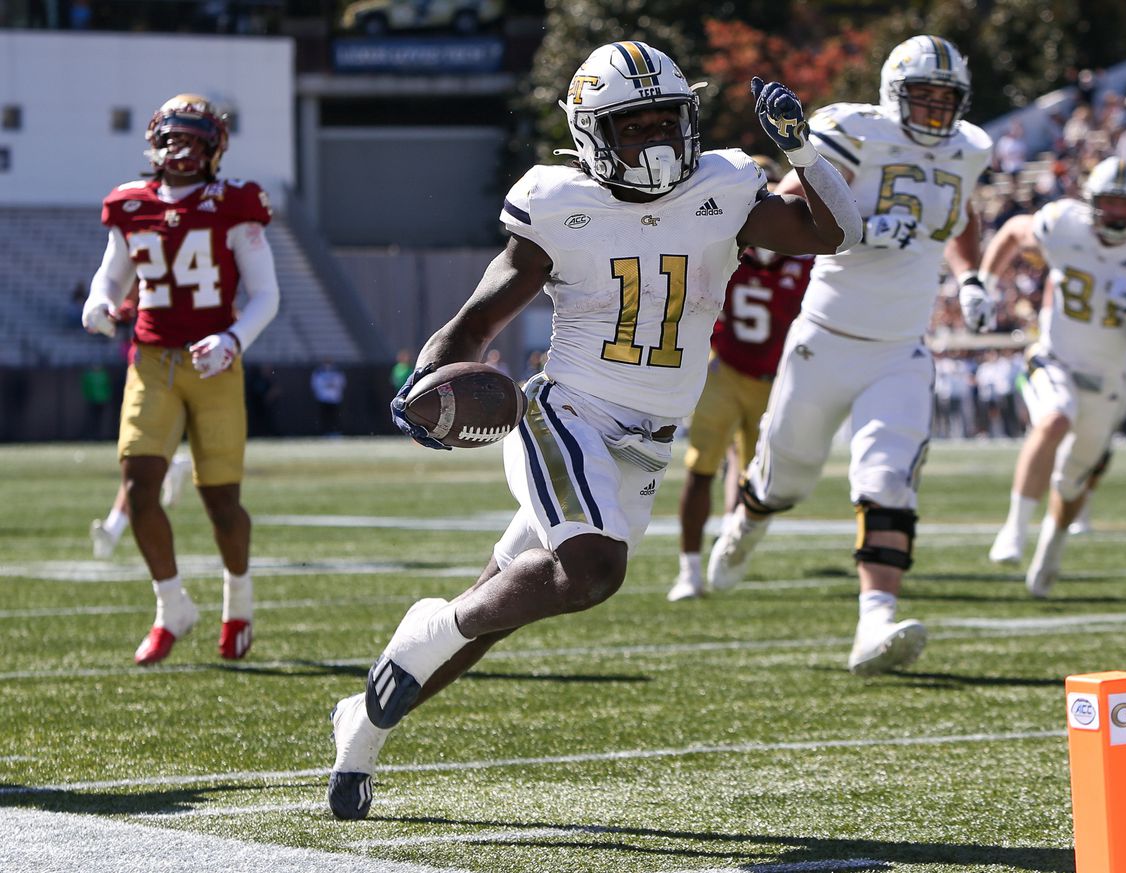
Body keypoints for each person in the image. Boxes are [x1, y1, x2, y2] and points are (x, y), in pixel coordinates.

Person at [326, 40, 862, 820]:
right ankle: (428, 626)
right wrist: (424, 386)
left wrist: (803, 150)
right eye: (632, 125)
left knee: (497, 609)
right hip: (567, 411)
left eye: (663, 121)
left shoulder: (726, 183)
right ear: (590, 134)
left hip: (650, 435)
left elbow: (834, 234)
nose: (652, 140)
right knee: (590, 571)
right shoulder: (557, 204)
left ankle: (364, 726)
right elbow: (477, 319)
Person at [703, 35, 995, 677]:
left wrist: (971, 277)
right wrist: (859, 227)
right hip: (827, 338)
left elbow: (963, 212)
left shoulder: (971, 148)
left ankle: (875, 624)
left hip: (901, 347)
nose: (933, 110)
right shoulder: (851, 130)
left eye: (945, 98)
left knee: (888, 479)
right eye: (921, 95)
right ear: (894, 94)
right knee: (786, 480)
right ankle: (746, 523)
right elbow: (787, 204)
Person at [81, 94, 280, 663]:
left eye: (194, 139)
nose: (181, 149)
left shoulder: (235, 204)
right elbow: (112, 276)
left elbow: (266, 294)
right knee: (140, 486)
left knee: (221, 502)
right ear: (154, 141)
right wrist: (100, 302)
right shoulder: (129, 203)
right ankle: (172, 606)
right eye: (172, 137)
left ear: (215, 147)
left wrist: (233, 339)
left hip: (213, 364)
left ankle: (237, 602)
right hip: (150, 361)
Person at [984, 156, 1126, 596]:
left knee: (1073, 480)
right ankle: (1014, 530)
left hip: (1111, 378)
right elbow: (1015, 231)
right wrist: (983, 281)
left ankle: (1050, 548)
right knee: (1055, 419)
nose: (1116, 212)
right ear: (1092, 201)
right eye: (1109, 201)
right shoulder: (1063, 223)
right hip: (1055, 356)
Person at [667, 156, 813, 602]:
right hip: (724, 369)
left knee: (760, 480)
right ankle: (688, 569)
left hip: (775, 380)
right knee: (701, 468)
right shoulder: (723, 249)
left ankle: (727, 547)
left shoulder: (805, 258)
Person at [310, 361, 346, 436]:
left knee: (335, 417)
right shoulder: (319, 373)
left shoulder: (337, 373)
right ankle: (324, 432)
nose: (328, 366)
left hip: (334, 399)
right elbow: (315, 384)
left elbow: (342, 383)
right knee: (324, 417)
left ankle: (335, 432)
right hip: (323, 399)